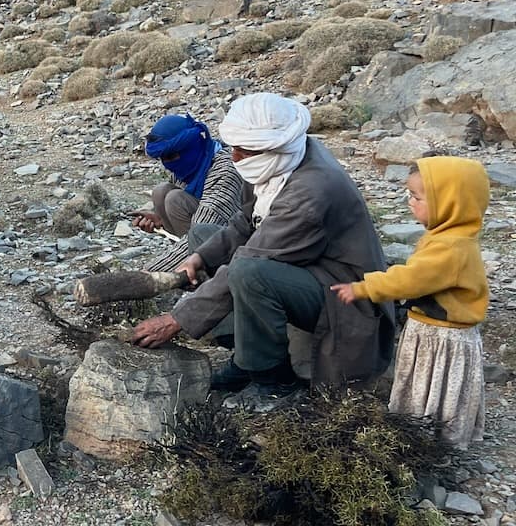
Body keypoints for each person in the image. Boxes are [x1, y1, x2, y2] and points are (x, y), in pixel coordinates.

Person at [132, 93, 395, 394]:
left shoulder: (310, 191)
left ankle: (270, 375)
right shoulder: (278, 160)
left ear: (272, 148)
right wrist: (199, 257)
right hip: (305, 264)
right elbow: (246, 222)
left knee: (248, 272)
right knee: (203, 236)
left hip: (344, 292)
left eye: (243, 151)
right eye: (234, 148)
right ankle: (242, 347)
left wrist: (176, 319)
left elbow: (254, 256)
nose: (234, 158)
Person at [332, 156, 489, 448]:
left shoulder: (451, 248)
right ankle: (429, 435)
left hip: (442, 337)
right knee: (431, 386)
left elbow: (411, 279)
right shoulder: (447, 237)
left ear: (449, 204)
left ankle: (434, 441)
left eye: (417, 197)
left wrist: (365, 287)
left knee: (434, 386)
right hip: (435, 330)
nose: (410, 202)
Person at [132, 113, 251, 273]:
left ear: (190, 148)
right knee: (161, 192)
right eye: (162, 158)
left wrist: (148, 273)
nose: (167, 164)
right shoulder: (193, 162)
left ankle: (198, 269)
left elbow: (201, 230)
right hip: (203, 229)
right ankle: (184, 265)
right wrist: (159, 221)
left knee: (175, 199)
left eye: (170, 156)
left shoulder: (225, 172)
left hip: (234, 242)